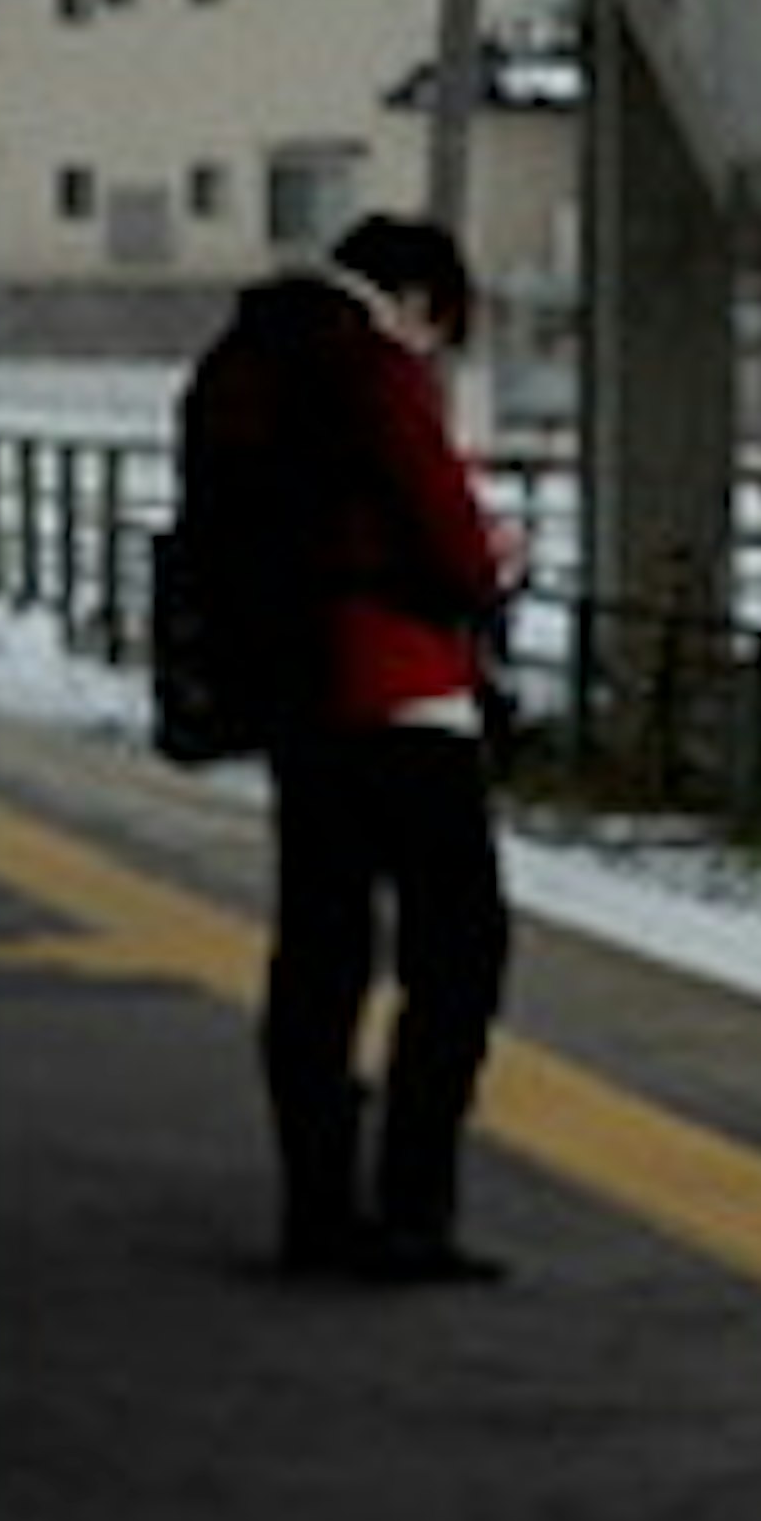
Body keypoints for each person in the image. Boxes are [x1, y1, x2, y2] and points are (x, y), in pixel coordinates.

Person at [173, 211, 522, 1280]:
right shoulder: (370, 368)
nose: (436, 352)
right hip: (402, 698)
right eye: (441, 330)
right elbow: (452, 540)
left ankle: (317, 1211)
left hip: (295, 698)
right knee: (459, 953)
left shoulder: (240, 362)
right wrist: (488, 559)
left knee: (320, 956)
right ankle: (414, 1206)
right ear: (415, 301)